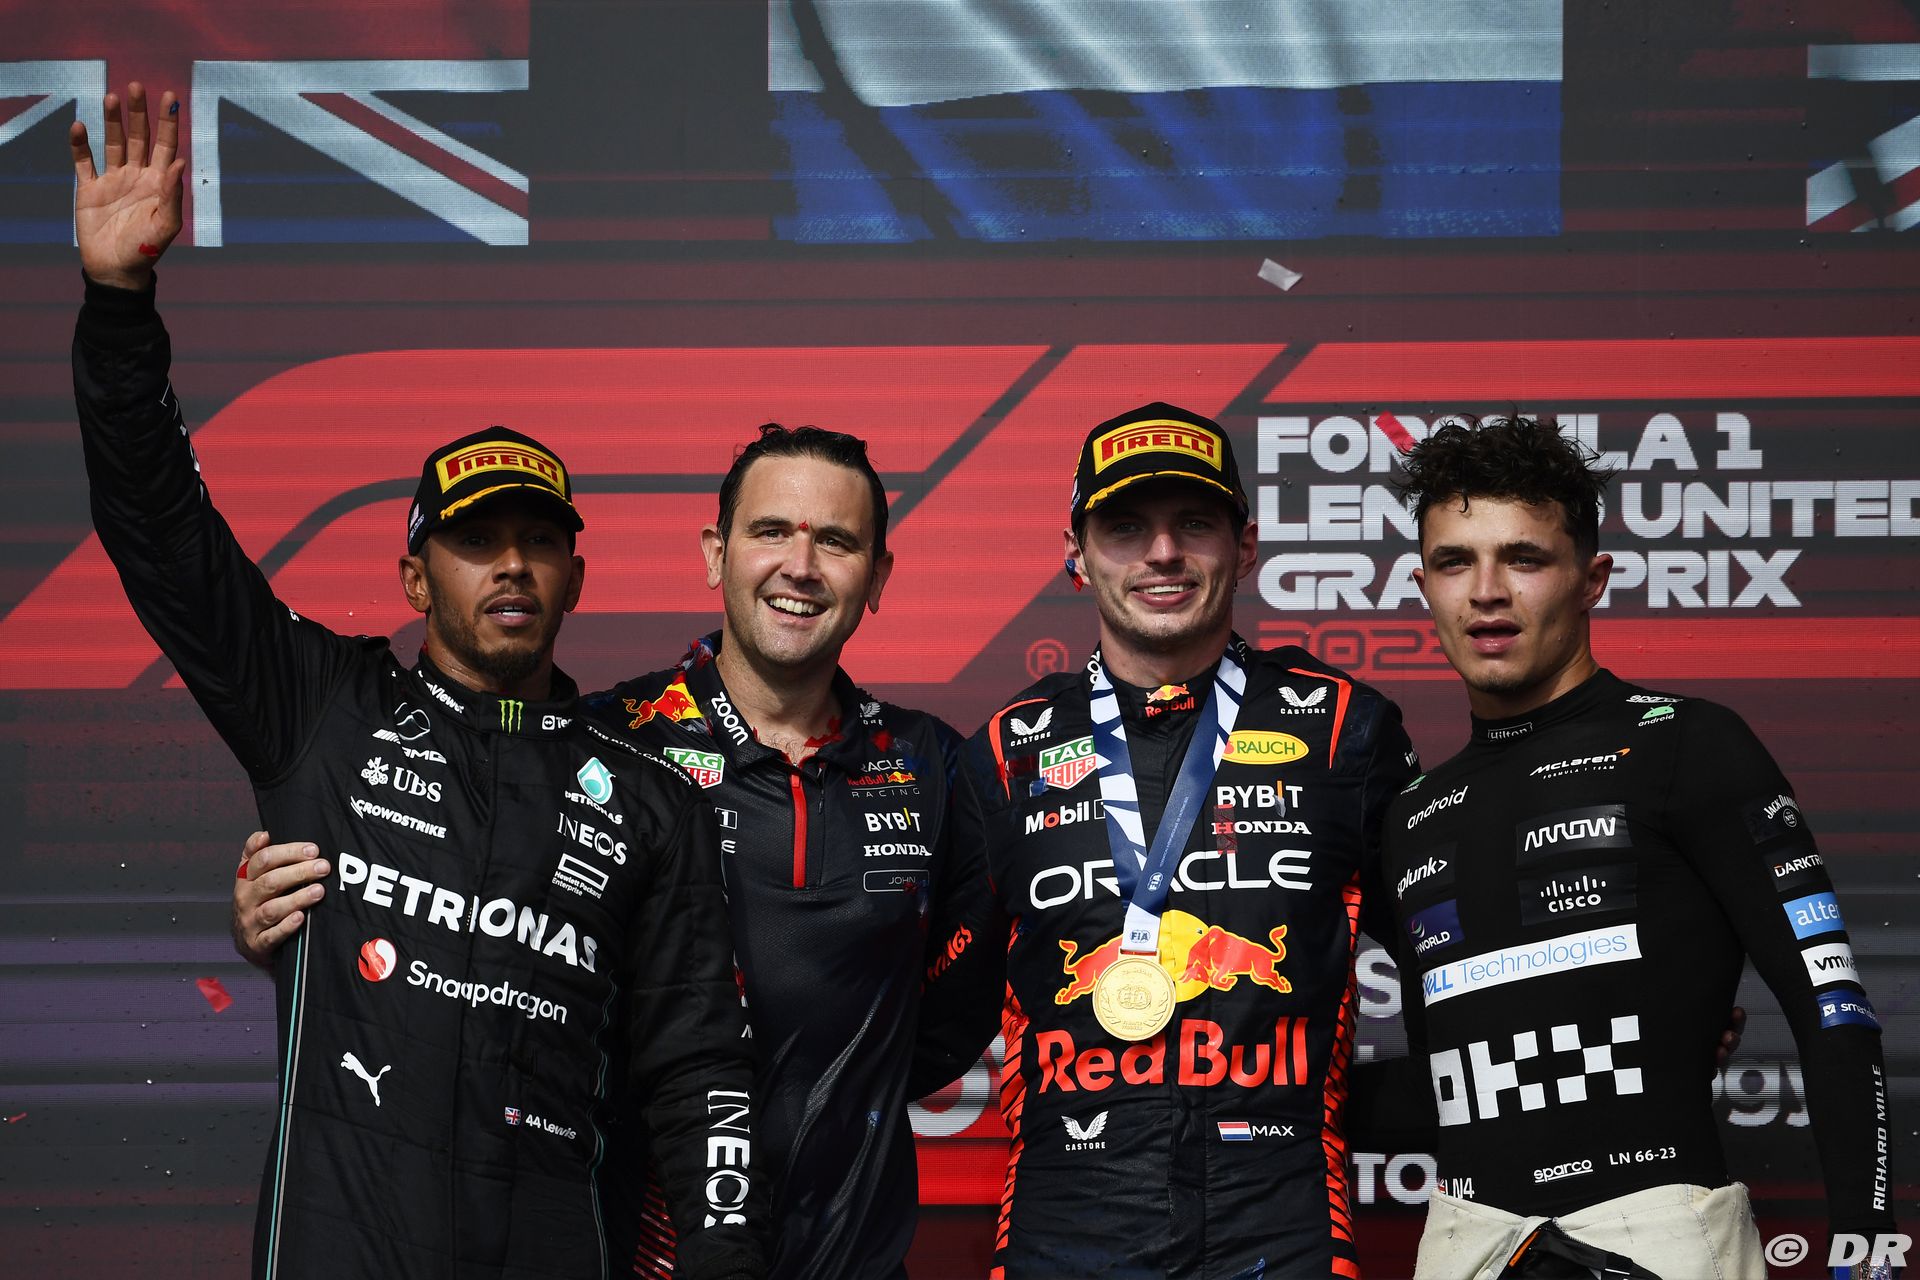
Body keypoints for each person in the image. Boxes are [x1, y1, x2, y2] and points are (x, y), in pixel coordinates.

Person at [70, 85, 762, 1280]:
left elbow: (701, 1073)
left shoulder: (654, 801)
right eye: (476, 540)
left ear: (577, 575)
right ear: (411, 575)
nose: (511, 564)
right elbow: (159, 531)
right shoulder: (320, 708)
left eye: (538, 541)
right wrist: (119, 307)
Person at [234, 423, 1001, 1278]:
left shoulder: (934, 765)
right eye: (770, 532)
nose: (801, 566)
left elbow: (957, 1014)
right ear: (715, 554)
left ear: (878, 576)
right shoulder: (605, 747)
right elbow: (456, 914)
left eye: (836, 541)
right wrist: (298, 920)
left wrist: (844, 1075)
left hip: (857, 1262)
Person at [1379, 414, 1897, 1278]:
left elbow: (1832, 1009)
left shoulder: (1688, 743)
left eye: (1525, 558)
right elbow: (1454, 1066)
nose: (1488, 591)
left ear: (1592, 579)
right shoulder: (1413, 813)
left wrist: (1868, 1254)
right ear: (1423, 584)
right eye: (1455, 561)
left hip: (1659, 1235)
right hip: (1466, 1242)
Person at [961, 402, 1418, 1277]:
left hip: (1280, 1219)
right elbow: (929, 1002)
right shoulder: (1004, 751)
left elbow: (1447, 962)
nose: (1163, 553)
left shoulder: (1344, 728)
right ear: (1076, 554)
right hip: (1067, 1218)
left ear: (1244, 548)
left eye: (1194, 524)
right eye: (1126, 527)